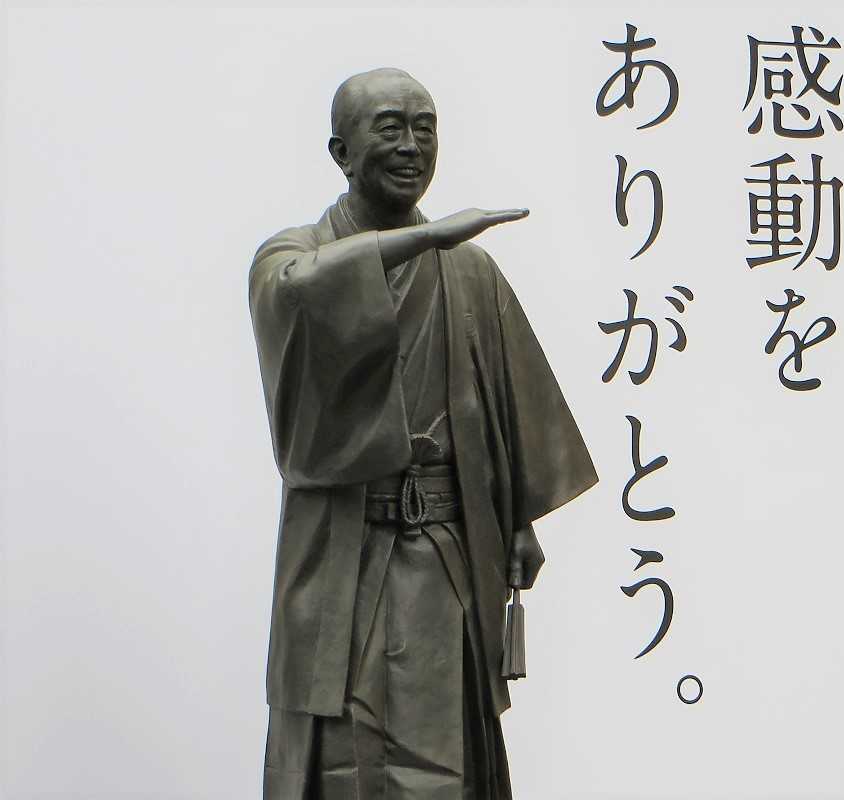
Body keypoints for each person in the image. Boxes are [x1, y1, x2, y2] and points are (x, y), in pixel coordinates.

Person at [248, 67, 598, 799]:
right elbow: (297, 293)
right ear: (341, 152)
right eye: (390, 128)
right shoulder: (293, 254)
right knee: (342, 751)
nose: (412, 145)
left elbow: (503, 403)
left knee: (446, 759)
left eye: (425, 128)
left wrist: (519, 521)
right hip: (343, 550)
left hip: (445, 550)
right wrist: (422, 239)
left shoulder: (468, 271)